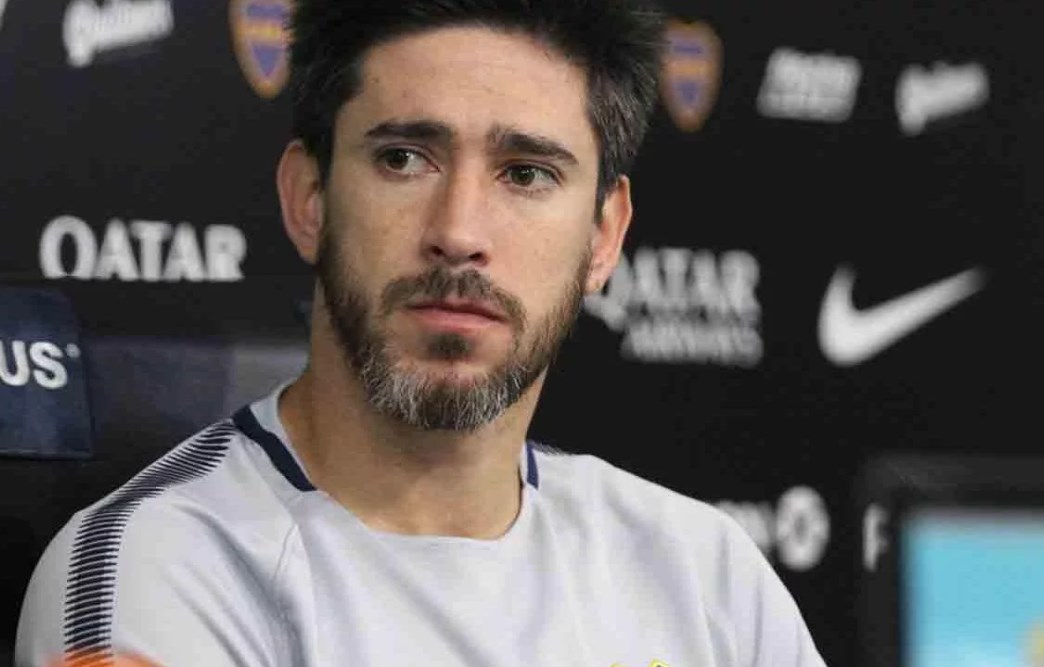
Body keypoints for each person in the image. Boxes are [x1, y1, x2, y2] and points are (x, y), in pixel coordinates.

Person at [16, 1, 828, 665]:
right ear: (309, 198)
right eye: (405, 158)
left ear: (603, 236)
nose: (458, 231)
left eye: (526, 173)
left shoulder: (704, 575)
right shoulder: (161, 567)